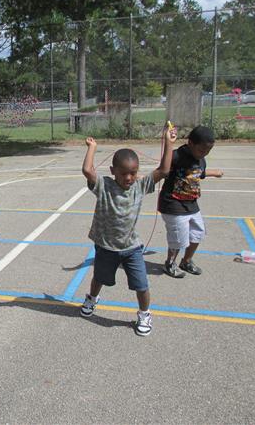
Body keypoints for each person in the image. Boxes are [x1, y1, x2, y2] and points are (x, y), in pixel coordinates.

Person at [80, 127, 176, 336]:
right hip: (106, 246)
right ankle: (92, 299)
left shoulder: (140, 186)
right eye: (124, 173)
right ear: (113, 171)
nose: (129, 177)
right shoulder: (104, 185)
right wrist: (92, 147)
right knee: (99, 278)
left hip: (131, 247)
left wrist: (169, 143)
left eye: (133, 172)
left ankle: (144, 313)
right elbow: (87, 170)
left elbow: (163, 170)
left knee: (141, 284)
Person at [158, 125, 223, 278]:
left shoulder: (201, 159)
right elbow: (163, 169)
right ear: (190, 143)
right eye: (201, 150)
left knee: (198, 233)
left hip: (191, 203)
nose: (204, 153)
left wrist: (214, 173)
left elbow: (198, 174)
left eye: (208, 151)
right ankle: (170, 263)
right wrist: (169, 144)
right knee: (178, 238)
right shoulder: (177, 156)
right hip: (172, 203)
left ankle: (186, 261)